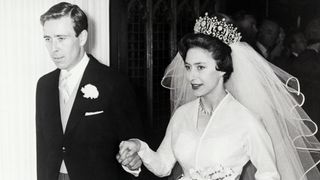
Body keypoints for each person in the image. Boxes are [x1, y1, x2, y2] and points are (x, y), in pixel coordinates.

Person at [117, 13, 320, 180]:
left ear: (222, 69)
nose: (191, 76)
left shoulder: (246, 120)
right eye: (188, 67)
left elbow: (270, 174)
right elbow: (163, 166)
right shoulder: (182, 114)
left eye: (201, 67)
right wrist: (139, 147)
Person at [36, 2, 143, 180]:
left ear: (82, 37)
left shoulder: (114, 83)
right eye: (48, 39)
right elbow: (43, 149)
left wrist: (134, 160)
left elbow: (135, 147)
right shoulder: (44, 85)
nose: (53, 48)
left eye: (61, 38)